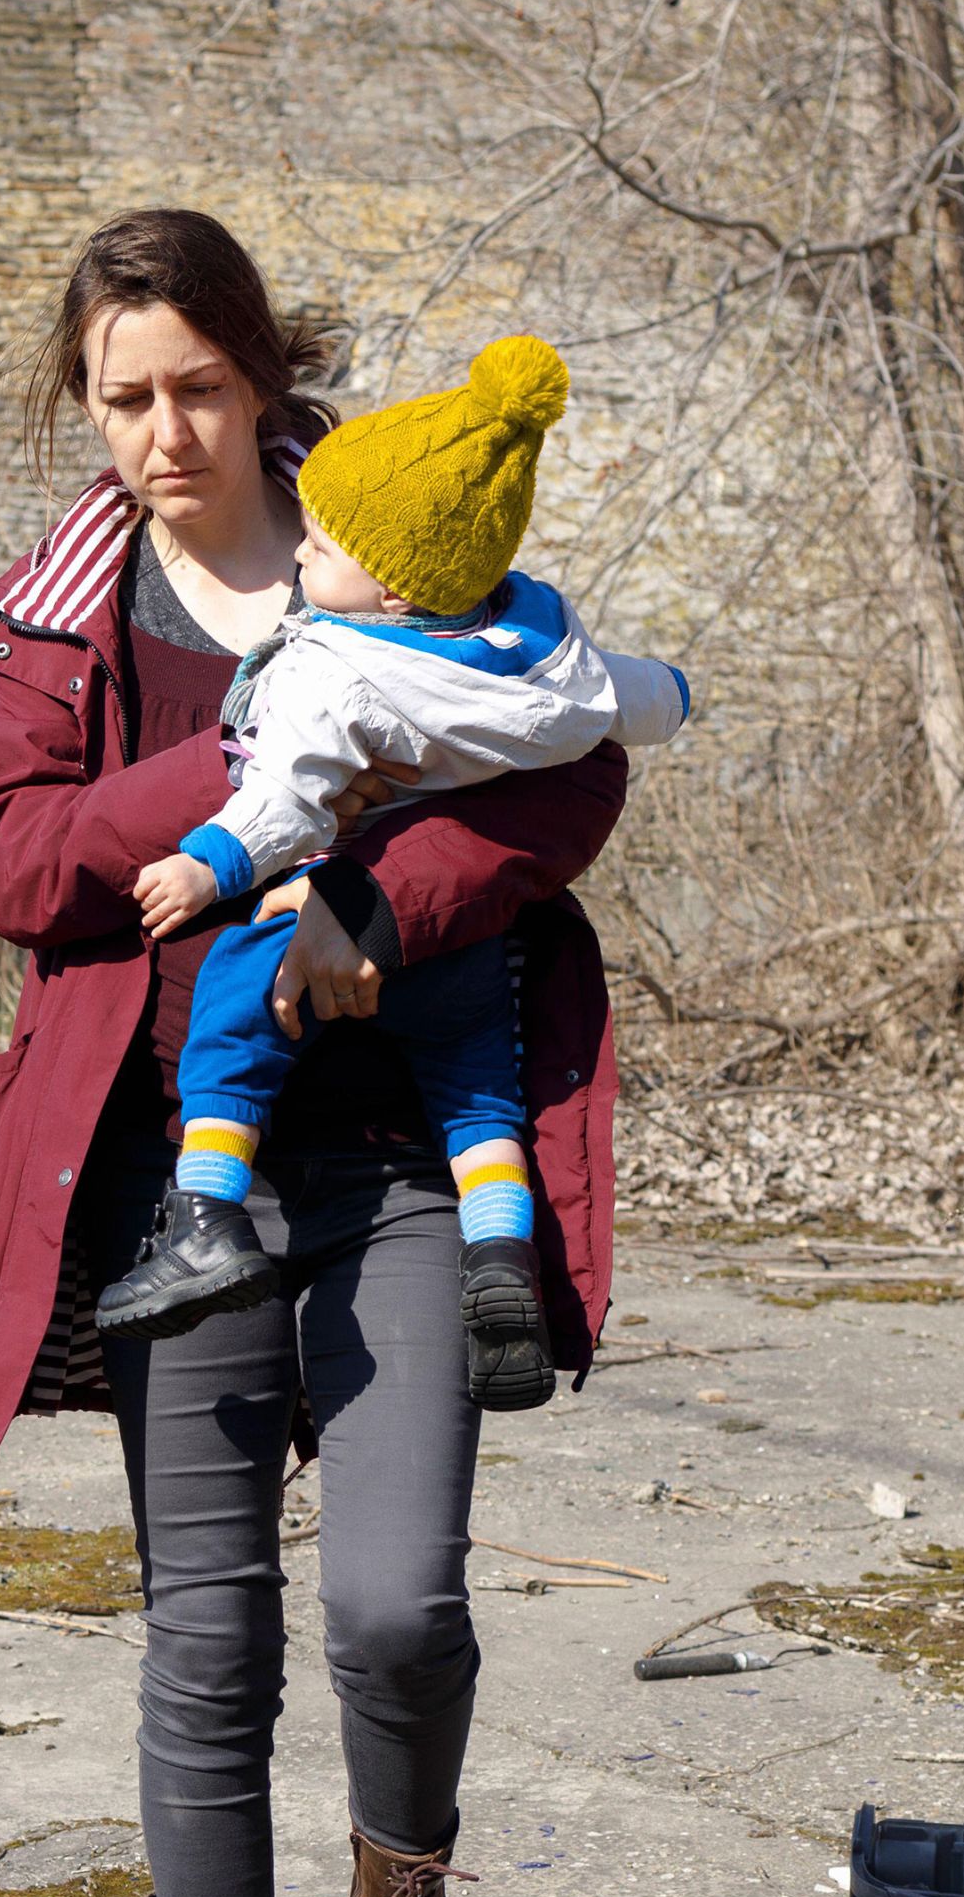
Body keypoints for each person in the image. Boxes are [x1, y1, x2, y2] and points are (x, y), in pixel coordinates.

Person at [0, 210, 629, 1897]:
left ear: (260, 378)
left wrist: (373, 912)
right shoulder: (61, 620)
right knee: (206, 1663)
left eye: (199, 391)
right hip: (180, 1188)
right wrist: (239, 748)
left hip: (408, 1157)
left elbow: (565, 766)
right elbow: (1, 860)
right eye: (123, 399)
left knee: (398, 1603)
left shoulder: (404, 533)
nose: (165, 436)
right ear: (86, 405)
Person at [88, 333, 691, 1417]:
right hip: (453, 942)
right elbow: (639, 699)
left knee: (232, 1012)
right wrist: (684, 695)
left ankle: (208, 1216)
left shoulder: (337, 668)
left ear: (399, 587)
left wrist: (198, 862)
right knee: (477, 1094)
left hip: (324, 910)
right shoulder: (541, 650)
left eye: (323, 543)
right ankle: (499, 1256)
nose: (303, 558)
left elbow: (278, 802)